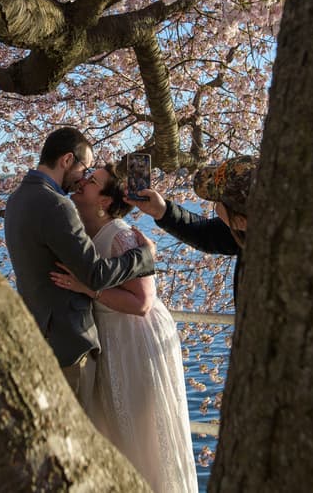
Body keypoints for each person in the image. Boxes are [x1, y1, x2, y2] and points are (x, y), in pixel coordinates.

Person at [51, 163, 198, 493]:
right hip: (111, 335)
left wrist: (87, 288)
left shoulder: (121, 235)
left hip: (136, 338)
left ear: (104, 201)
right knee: (115, 429)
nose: (82, 182)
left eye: (92, 182)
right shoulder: (86, 233)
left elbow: (142, 303)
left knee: (142, 434)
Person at [4, 127, 156, 402]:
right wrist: (144, 256)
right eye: (83, 168)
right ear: (66, 160)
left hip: (39, 334)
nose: (81, 179)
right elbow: (94, 275)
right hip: (67, 343)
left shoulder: (16, 198)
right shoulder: (57, 205)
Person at [125, 155, 256, 306]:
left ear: (240, 221)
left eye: (217, 201)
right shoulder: (250, 233)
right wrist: (162, 211)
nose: (215, 207)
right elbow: (204, 234)